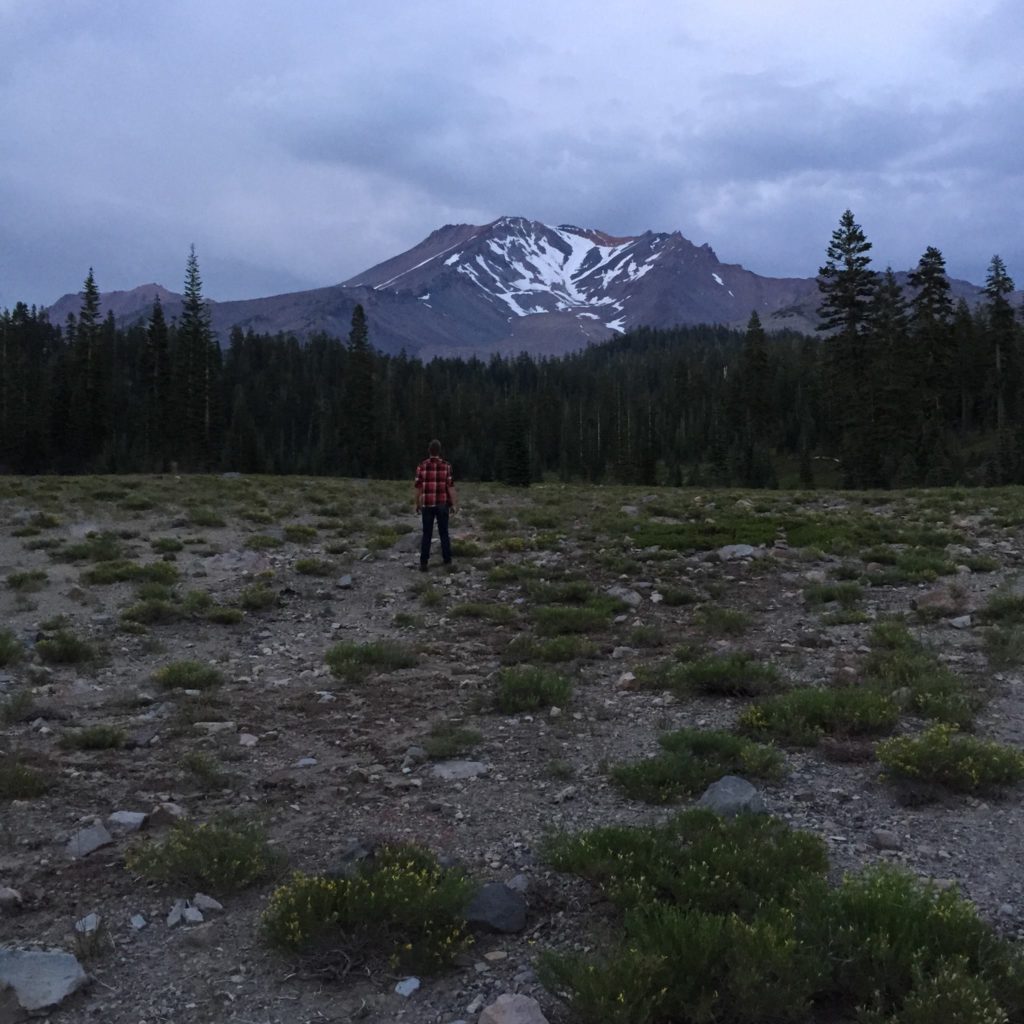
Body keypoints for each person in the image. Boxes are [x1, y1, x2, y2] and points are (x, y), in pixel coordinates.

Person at [414, 439, 459, 571]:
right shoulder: (446, 466)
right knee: (444, 533)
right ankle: (447, 560)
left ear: (429, 450)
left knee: (427, 534)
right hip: (442, 504)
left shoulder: (422, 466)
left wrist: (417, 504)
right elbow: (450, 487)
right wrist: (454, 504)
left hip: (427, 504)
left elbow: (418, 487)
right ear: (439, 451)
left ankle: (423, 563)